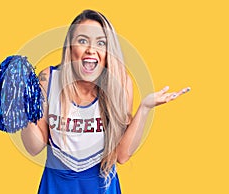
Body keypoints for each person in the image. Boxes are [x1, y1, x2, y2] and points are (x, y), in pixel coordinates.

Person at [21, 9, 190, 194]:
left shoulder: (120, 83)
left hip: (102, 188)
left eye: (100, 42)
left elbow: (122, 156)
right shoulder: (48, 79)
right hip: (56, 186)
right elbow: (33, 147)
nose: (91, 49)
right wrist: (22, 106)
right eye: (82, 40)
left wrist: (144, 108)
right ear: (70, 47)